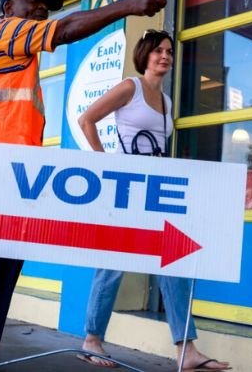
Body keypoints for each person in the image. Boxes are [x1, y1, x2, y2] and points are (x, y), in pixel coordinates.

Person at [0, 0, 179, 372]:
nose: (39, 10)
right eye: (31, 2)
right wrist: (130, 5)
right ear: (7, 7)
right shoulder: (4, 31)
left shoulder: (15, 54)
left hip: (1, 169)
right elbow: (66, 29)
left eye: (44, 6)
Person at [76, 30, 231, 371]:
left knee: (174, 263)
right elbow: (86, 119)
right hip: (126, 188)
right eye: (158, 50)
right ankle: (92, 340)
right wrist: (105, 165)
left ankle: (186, 349)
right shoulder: (129, 88)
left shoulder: (167, 101)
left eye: (169, 51)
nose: (165, 56)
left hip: (156, 189)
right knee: (112, 265)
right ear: (144, 55)